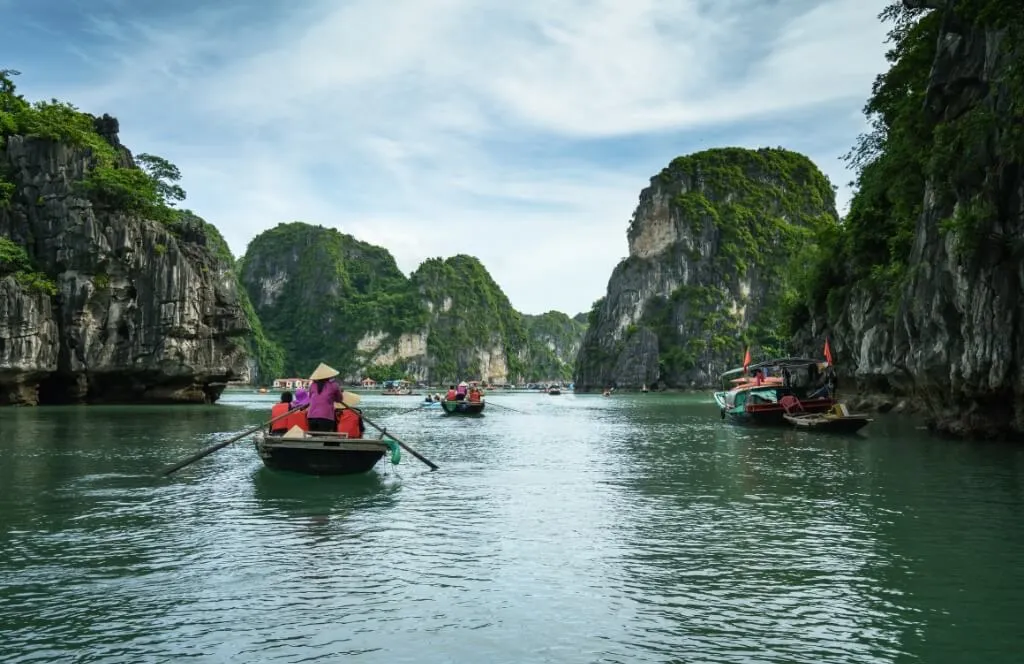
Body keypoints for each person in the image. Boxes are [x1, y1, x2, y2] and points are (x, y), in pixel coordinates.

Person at [306, 363, 343, 432]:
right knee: (326, 438)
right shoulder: (334, 385)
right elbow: (339, 399)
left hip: (311, 417)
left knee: (314, 438)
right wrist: (333, 397)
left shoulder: (312, 385)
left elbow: (310, 398)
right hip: (326, 417)